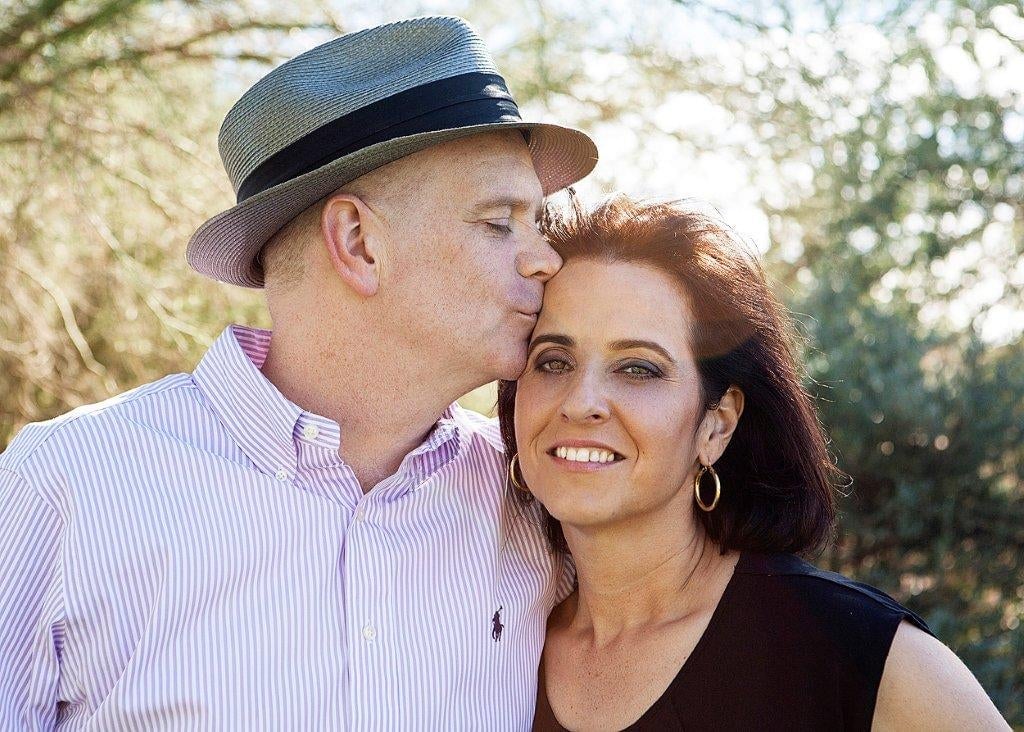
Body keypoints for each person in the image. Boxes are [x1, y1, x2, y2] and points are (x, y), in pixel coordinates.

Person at [0, 16, 597, 729]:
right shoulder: (64, 488)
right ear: (359, 243)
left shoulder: (537, 498)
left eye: (540, 224)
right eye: (500, 223)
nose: (545, 259)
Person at [496, 195, 1010, 731]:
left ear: (716, 425)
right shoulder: (502, 650)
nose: (581, 402)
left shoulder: (852, 652)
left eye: (638, 369)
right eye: (553, 361)